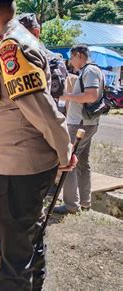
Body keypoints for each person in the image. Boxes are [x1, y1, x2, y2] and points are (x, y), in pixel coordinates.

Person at [0, 0, 76, 290]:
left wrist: (65, 152)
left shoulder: (12, 46)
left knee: (14, 264)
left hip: (18, 172)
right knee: (28, 242)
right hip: (14, 167)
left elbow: (42, 109)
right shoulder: (4, 42)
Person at [0, 12, 69, 254]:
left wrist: (63, 150)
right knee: (17, 217)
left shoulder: (48, 58)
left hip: (36, 144)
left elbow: (50, 105)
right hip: (14, 148)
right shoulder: (1, 49)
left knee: (28, 219)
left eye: (28, 30)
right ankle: (11, 242)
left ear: (37, 32)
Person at [55, 44, 103, 214]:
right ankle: (84, 202)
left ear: (78, 55)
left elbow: (91, 95)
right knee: (83, 163)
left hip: (80, 124)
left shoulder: (89, 71)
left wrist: (66, 96)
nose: (70, 61)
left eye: (71, 57)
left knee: (69, 161)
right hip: (87, 123)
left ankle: (71, 205)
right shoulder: (90, 70)